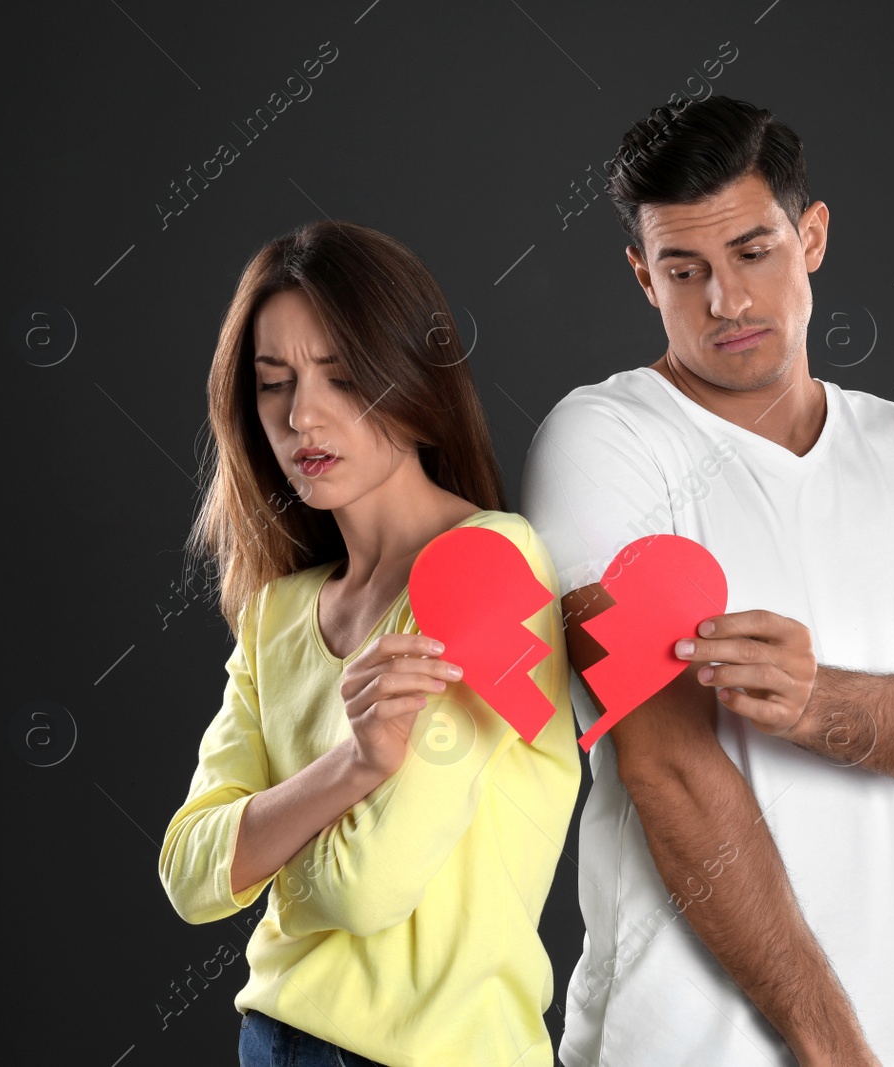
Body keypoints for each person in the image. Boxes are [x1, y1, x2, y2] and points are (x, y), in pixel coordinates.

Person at [520, 97, 894, 1066]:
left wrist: (809, 700)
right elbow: (666, 762)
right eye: (683, 269)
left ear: (813, 235)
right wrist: (834, 1049)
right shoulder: (601, 439)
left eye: (753, 251)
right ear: (641, 275)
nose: (725, 301)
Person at [157, 220, 580, 1067]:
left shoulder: (489, 565)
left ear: (415, 383)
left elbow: (364, 888)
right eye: (273, 383)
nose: (301, 415)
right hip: (272, 1041)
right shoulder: (278, 612)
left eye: (342, 377)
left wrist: (268, 856)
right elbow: (188, 871)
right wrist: (352, 766)